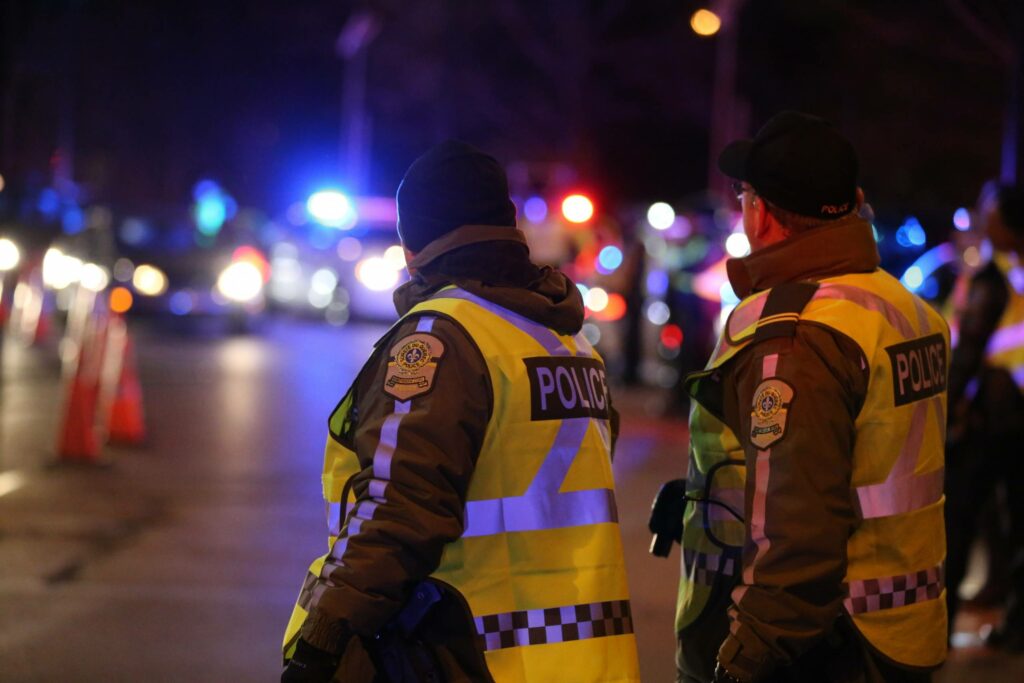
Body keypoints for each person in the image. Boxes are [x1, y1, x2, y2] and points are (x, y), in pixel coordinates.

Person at [281, 140, 640, 682]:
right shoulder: (565, 342)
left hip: (471, 654)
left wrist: (326, 634)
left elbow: (399, 507)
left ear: (413, 244)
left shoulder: (441, 338)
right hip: (585, 659)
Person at [672, 112, 948, 682]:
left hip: (822, 645)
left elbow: (798, 530)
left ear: (762, 213)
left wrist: (745, 655)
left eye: (744, 193)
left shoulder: (797, 332)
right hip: (903, 629)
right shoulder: (903, 308)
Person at [943, 183, 1024, 649]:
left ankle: (942, 621)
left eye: (988, 211)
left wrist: (947, 407)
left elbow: (970, 349)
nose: (981, 216)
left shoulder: (995, 277)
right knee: (1016, 524)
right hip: (1015, 420)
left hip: (990, 422)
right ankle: (1016, 624)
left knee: (960, 520)